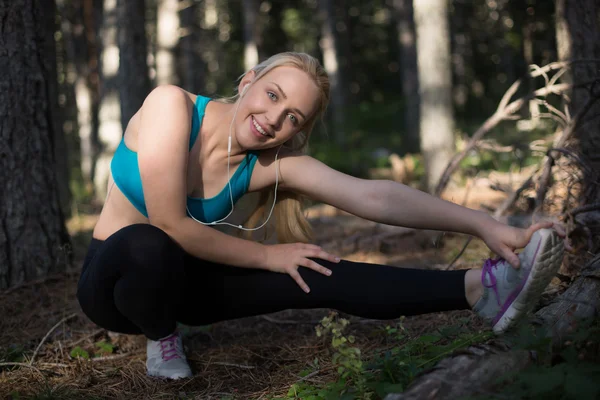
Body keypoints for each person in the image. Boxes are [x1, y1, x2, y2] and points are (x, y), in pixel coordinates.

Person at [77, 52, 566, 380]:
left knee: (312, 269)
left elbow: (375, 196)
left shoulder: (268, 165)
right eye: (272, 95)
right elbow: (167, 223)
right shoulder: (172, 106)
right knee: (148, 242)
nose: (274, 119)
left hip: (187, 284)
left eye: (294, 117)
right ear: (248, 81)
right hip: (115, 286)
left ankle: (479, 290)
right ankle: (162, 339)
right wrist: (267, 257)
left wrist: (488, 225)